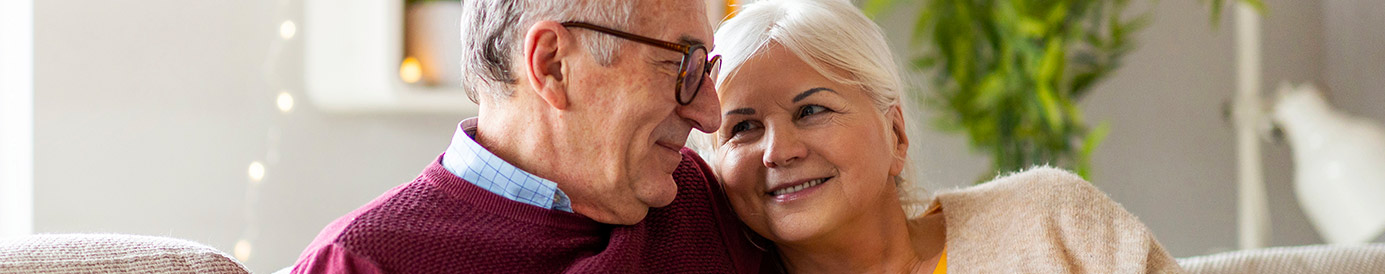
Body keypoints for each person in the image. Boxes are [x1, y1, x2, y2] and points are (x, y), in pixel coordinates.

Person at [692, 0, 1184, 272]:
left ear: (896, 134)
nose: (779, 151)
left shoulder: (1050, 219)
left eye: (812, 110)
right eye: (744, 128)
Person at [291, 0, 763, 273]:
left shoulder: (707, 200)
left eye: (707, 69)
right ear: (552, 65)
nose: (709, 114)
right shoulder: (360, 262)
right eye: (681, 65)